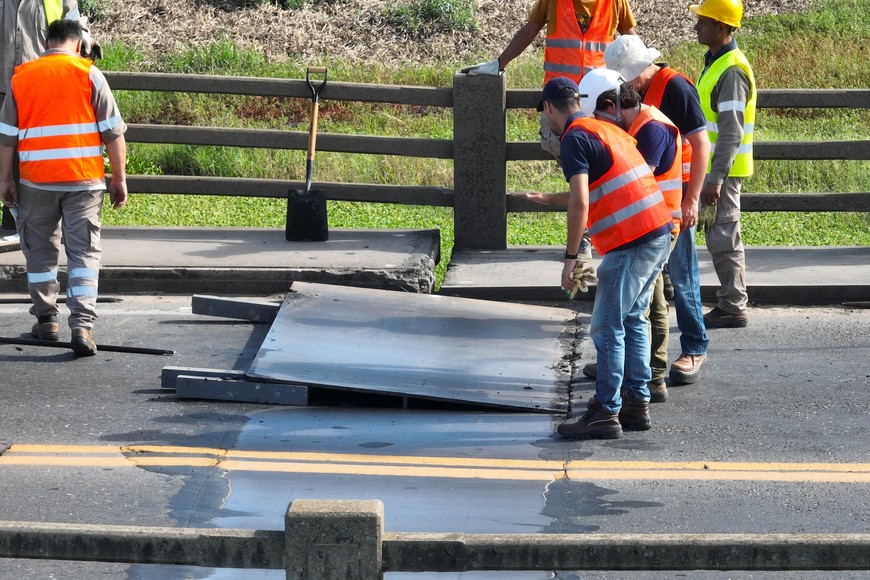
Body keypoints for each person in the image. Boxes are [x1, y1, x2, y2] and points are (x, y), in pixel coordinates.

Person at [534, 75, 673, 439]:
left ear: (549, 108)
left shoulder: (573, 139)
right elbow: (602, 187)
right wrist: (547, 199)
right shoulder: (603, 129)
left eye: (545, 114)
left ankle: (605, 411)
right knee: (633, 319)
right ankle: (635, 403)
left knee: (607, 324)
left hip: (633, 240)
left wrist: (569, 258)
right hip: (657, 230)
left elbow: (582, 201)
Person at [464, 0, 637, 260]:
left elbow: (631, 43)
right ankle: (587, 238)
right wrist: (499, 63)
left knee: (598, 176)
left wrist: (644, 74)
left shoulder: (615, 2)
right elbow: (531, 28)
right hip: (561, 106)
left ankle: (590, 238)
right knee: (580, 177)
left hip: (600, 104)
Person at [0, 18, 127, 356]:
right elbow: (113, 133)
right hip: (83, 180)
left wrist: (5, 180)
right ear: (78, 42)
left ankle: (46, 320)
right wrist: (119, 178)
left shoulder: (22, 78)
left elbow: (7, 137)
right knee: (84, 252)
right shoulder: (89, 74)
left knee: (40, 251)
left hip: (36, 181)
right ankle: (83, 326)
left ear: (47, 41)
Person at [604, 34, 712, 383]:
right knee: (650, 287)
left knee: (682, 277)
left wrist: (691, 199)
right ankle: (635, 361)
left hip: (675, 199)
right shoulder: (642, 90)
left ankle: (695, 347)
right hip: (651, 200)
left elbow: (701, 143)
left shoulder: (676, 87)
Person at [572, 68, 683, 403]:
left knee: (621, 319)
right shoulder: (635, 126)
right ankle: (639, 395)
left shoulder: (648, 128)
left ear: (611, 104)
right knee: (636, 314)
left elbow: (624, 190)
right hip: (652, 227)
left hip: (647, 229)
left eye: (601, 115)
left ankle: (625, 395)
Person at [0, 0, 94, 232]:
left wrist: (87, 42)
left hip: (41, 93)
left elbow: (74, 30)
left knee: (32, 161)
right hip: (3, 87)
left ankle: (19, 227)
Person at [690, 0, 756, 328]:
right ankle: (730, 302)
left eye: (703, 21)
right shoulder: (716, 62)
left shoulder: (731, 69)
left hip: (722, 171)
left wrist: (716, 177)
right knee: (718, 234)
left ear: (722, 27)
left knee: (724, 235)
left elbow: (731, 130)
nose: (696, 26)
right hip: (714, 168)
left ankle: (733, 305)